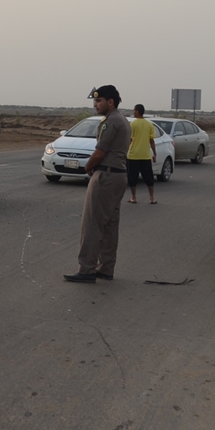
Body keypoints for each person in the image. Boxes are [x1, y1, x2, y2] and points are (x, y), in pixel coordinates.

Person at [64, 85, 131, 283]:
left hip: (106, 176)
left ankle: (87, 269)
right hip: (118, 175)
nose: (96, 104)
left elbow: (100, 152)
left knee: (92, 225)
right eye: (95, 101)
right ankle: (106, 268)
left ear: (111, 102)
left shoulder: (110, 122)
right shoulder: (123, 120)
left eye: (99, 101)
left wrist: (87, 167)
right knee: (110, 225)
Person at [127, 104, 157, 204]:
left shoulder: (133, 124)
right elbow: (151, 140)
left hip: (133, 155)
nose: (133, 112)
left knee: (133, 178)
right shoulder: (149, 124)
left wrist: (124, 151)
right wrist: (154, 153)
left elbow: (129, 140)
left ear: (138, 111)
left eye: (134, 110)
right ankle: (152, 198)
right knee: (149, 178)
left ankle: (134, 197)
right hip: (145, 155)